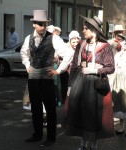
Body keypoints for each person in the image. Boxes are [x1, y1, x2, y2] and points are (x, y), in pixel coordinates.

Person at [20, 10, 74, 146]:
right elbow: (23, 53)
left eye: (44, 24)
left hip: (47, 78)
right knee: (35, 108)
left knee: (50, 109)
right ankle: (37, 134)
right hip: (33, 78)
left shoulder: (53, 38)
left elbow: (68, 54)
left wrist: (58, 70)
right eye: (40, 24)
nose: (43, 27)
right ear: (34, 24)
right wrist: (27, 65)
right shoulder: (28, 39)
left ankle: (51, 138)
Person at [65, 15, 115, 150]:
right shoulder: (81, 45)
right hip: (80, 84)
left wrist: (95, 70)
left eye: (86, 28)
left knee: (93, 117)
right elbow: (74, 67)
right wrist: (70, 87)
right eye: (83, 28)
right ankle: (82, 144)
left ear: (94, 31)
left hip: (95, 86)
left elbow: (111, 68)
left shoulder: (105, 47)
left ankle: (93, 146)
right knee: (81, 115)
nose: (83, 31)